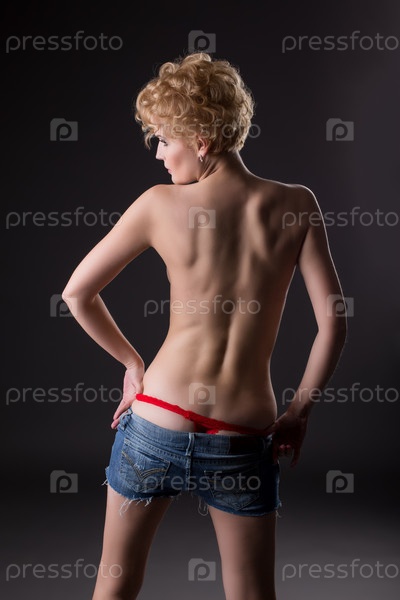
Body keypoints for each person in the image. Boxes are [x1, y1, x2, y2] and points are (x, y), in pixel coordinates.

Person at [62, 52, 347, 600]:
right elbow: (333, 323)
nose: (158, 154)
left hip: (156, 420)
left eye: (164, 139)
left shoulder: (158, 205)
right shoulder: (296, 205)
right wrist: (299, 411)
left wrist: (133, 365)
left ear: (201, 139)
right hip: (242, 437)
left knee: (114, 587)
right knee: (251, 594)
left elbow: (77, 293)